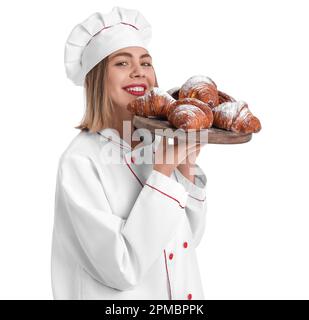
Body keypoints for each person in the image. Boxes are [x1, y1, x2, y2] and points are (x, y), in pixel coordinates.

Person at [51, 6, 208, 300]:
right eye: (122, 63)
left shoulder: (158, 145)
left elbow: (187, 240)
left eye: (146, 63)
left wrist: (185, 168)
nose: (139, 71)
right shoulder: (80, 162)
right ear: (97, 79)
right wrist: (162, 173)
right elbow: (121, 269)